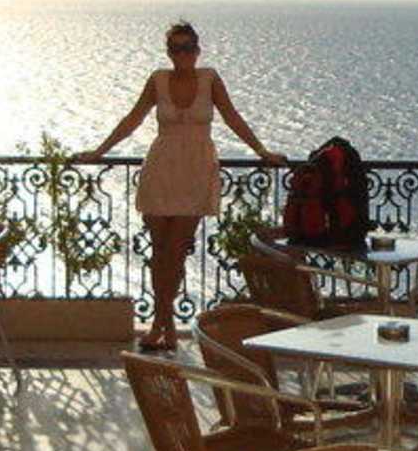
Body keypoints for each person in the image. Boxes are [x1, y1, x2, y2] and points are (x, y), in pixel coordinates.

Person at [73, 21, 285, 352]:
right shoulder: (157, 80)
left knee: (175, 250)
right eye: (175, 48)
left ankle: (162, 323)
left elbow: (232, 117)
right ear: (169, 52)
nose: (182, 54)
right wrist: (99, 152)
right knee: (159, 252)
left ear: (197, 50)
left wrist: (261, 151)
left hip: (195, 170)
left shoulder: (210, 79)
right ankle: (165, 325)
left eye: (187, 48)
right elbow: (133, 119)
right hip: (161, 168)